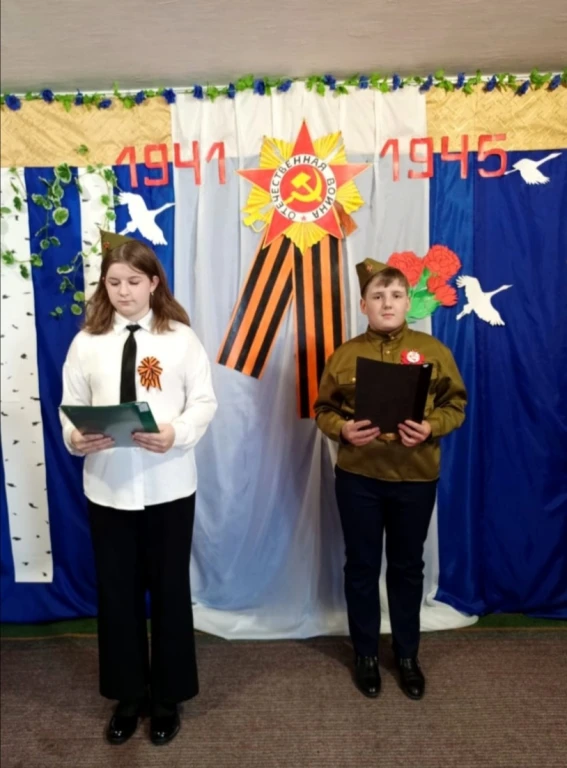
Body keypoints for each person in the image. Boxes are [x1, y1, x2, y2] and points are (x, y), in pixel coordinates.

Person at [60, 230, 217, 745]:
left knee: (169, 590)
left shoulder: (180, 338)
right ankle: (128, 696)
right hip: (109, 489)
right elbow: (69, 407)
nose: (123, 291)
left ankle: (168, 697)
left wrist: (176, 433)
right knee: (118, 594)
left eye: (132, 281)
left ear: (153, 282)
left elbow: (204, 402)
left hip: (169, 487)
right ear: (103, 286)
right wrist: (75, 437)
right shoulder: (87, 343)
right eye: (113, 282)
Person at [314, 258, 466, 700]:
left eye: (396, 295)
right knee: (361, 566)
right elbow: (323, 410)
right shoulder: (344, 355)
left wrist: (431, 426)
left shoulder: (433, 351)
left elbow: (456, 405)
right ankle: (365, 653)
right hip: (359, 477)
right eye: (377, 296)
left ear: (408, 302)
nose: (387, 303)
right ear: (363, 304)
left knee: (407, 567)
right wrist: (342, 430)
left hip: (415, 476)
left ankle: (406, 654)